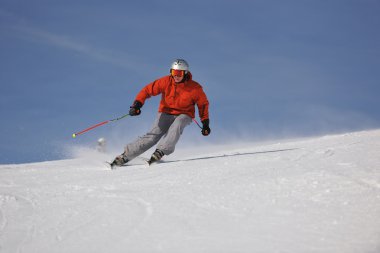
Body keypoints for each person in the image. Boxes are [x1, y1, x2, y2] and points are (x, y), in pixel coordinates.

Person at [111, 59, 211, 167]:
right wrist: (137, 105)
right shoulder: (166, 81)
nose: (176, 76)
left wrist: (205, 123)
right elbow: (147, 90)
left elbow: (203, 105)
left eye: (179, 73)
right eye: (174, 73)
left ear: (185, 73)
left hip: (184, 114)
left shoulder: (195, 88)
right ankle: (125, 156)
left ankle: (160, 151)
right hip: (166, 112)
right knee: (153, 135)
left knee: (177, 125)